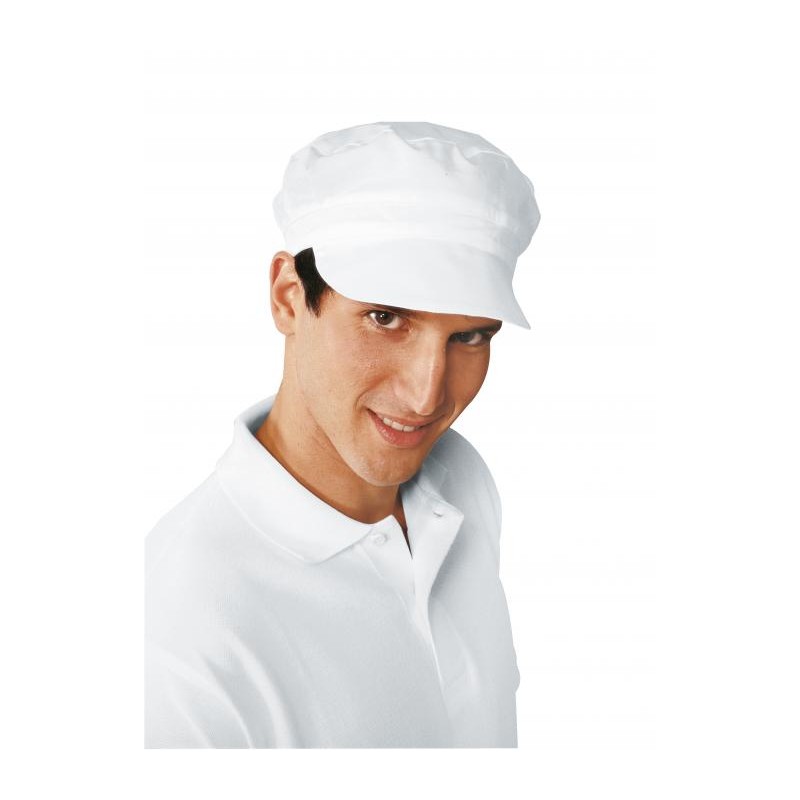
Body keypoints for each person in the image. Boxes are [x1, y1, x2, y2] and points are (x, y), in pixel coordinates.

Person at [145, 121, 541, 748]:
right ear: (288, 297)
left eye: (470, 335)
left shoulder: (462, 483)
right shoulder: (180, 634)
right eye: (385, 318)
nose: (427, 397)